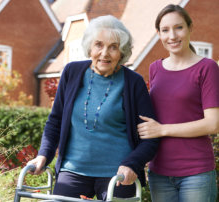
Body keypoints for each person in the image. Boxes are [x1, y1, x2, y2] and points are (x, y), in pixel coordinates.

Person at [28, 15, 159, 200]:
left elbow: (151, 139)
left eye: (113, 47)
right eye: (99, 45)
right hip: (72, 170)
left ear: (121, 52)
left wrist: (132, 164)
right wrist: (43, 155)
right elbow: (55, 121)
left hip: (117, 174)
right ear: (90, 46)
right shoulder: (71, 72)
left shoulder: (133, 83)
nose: (104, 53)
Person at [137, 4, 219, 202]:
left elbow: (213, 124)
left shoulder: (207, 68)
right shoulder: (155, 68)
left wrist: (162, 130)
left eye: (178, 27)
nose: (172, 36)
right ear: (158, 33)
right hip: (159, 172)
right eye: (165, 30)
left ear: (190, 28)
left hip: (196, 172)